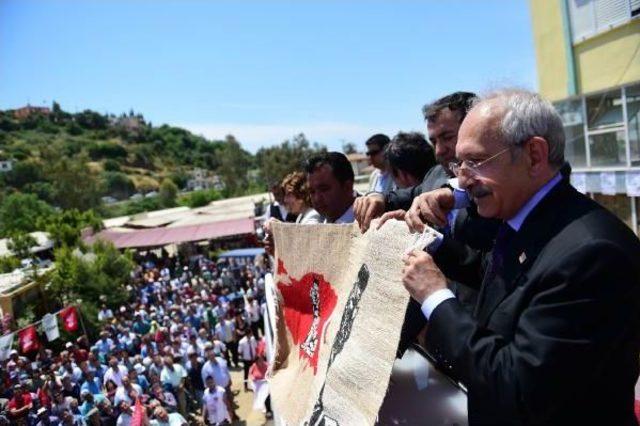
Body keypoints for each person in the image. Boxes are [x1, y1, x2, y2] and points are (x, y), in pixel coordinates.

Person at [400, 89, 640, 424]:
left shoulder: (593, 254)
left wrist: (435, 297)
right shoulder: (529, 219)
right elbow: (498, 277)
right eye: (459, 163)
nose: (462, 180)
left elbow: (517, 386)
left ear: (534, 155)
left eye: (475, 161)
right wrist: (434, 246)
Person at [354, 91, 478, 231]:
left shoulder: (492, 183)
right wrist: (376, 198)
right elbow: (404, 196)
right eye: (433, 141)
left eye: (448, 137)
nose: (439, 151)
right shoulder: (436, 175)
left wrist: (434, 244)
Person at [305, 152, 357, 224]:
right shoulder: (315, 225)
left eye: (324, 189)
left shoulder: (369, 226)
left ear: (347, 187)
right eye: (312, 191)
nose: (317, 198)